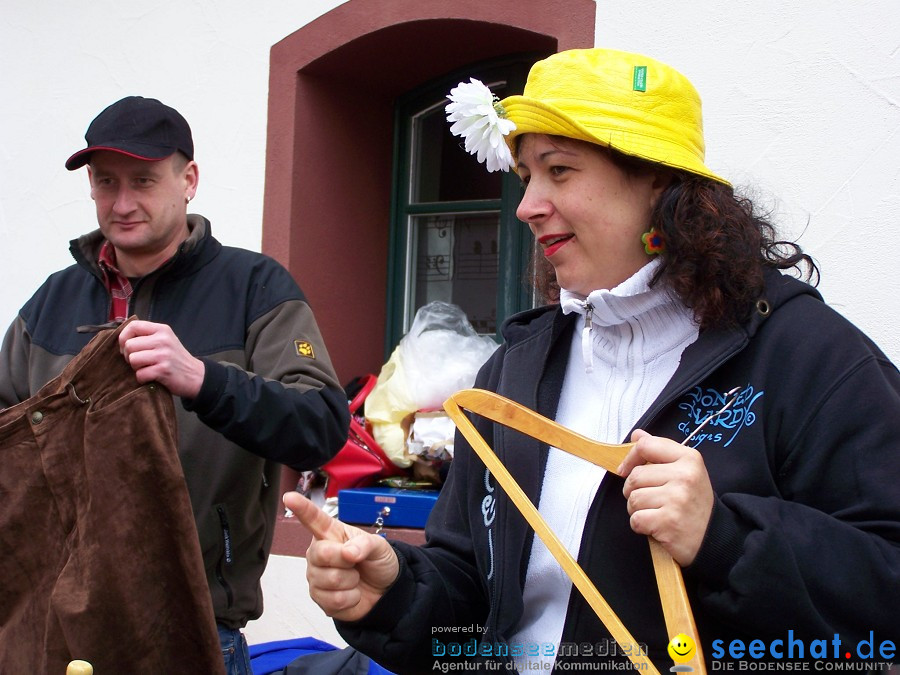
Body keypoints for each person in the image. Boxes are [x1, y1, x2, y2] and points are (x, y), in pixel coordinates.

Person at [285, 48, 900, 672]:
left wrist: (725, 539)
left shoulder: (805, 355)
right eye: (526, 176)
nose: (527, 206)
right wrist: (395, 592)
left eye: (560, 170)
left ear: (658, 182)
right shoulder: (514, 374)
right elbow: (475, 597)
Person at [0, 95, 350, 674]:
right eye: (105, 182)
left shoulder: (255, 287)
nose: (123, 202)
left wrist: (202, 379)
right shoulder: (50, 303)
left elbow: (319, 426)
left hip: (195, 627)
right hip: (49, 632)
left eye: (143, 180)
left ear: (188, 180)